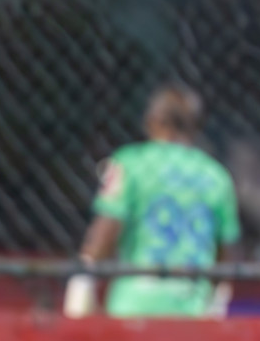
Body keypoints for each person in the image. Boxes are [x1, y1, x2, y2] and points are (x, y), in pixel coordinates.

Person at [65, 84, 241, 318]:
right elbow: (227, 253)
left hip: (136, 306)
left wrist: (82, 281)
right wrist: (217, 300)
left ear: (153, 121)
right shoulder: (217, 177)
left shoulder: (131, 164)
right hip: (192, 311)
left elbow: (106, 230)